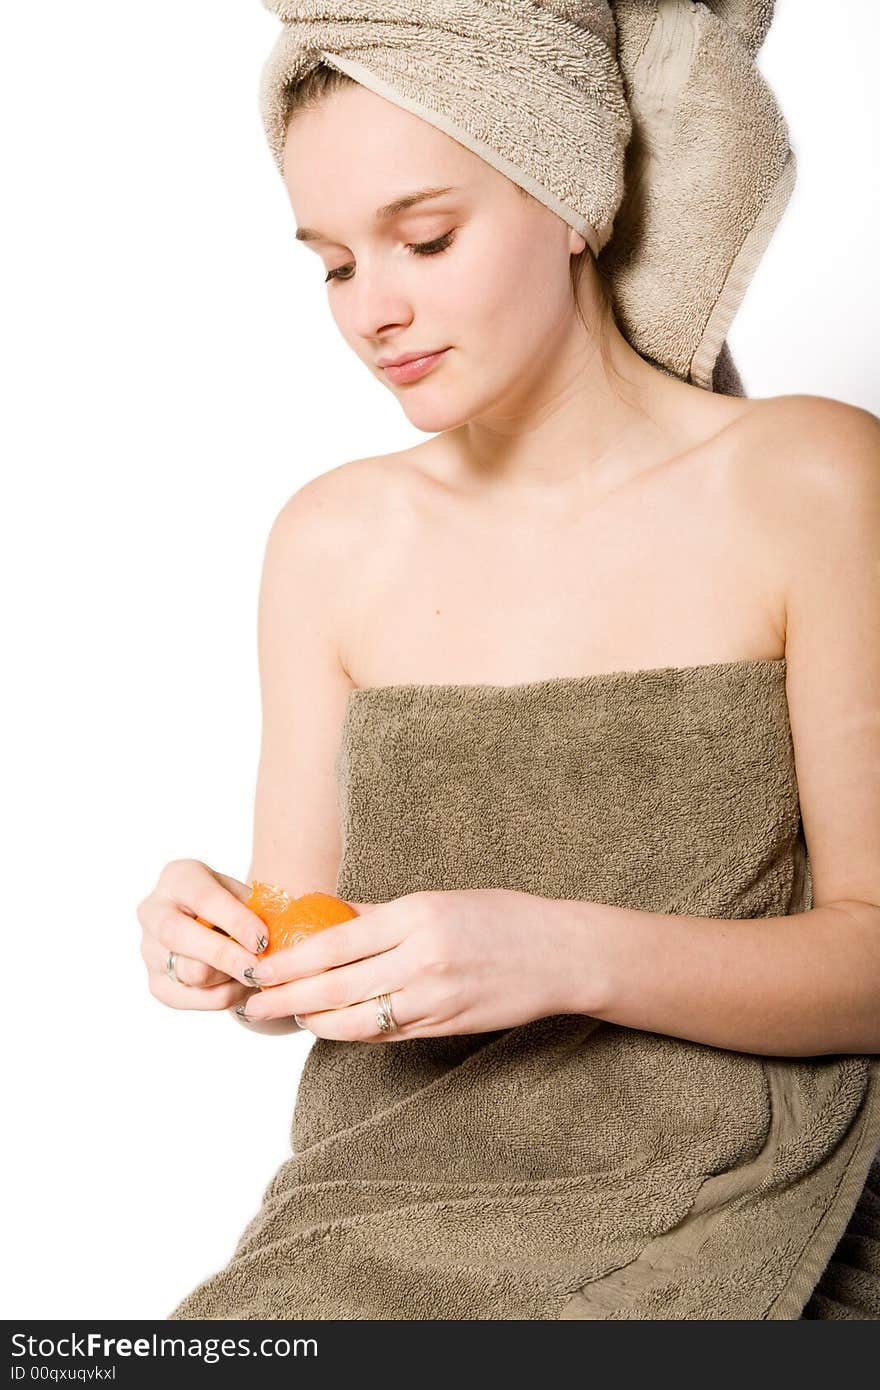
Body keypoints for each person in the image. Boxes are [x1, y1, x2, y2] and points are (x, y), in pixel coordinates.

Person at [138, 4, 880, 1321]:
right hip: (373, 1220)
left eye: (425, 238)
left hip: (743, 1216)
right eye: (333, 263)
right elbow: (310, 962)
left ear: (574, 198)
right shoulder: (330, 541)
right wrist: (219, 943)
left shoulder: (810, 480)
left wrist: (560, 954)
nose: (377, 309)